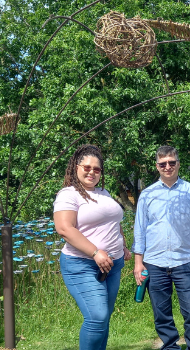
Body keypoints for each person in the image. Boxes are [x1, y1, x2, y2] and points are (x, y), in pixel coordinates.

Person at [132, 145, 190, 350]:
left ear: (178, 163)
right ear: (157, 166)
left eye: (171, 162)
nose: (168, 167)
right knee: (161, 314)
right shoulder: (147, 194)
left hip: (184, 261)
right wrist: (138, 263)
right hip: (154, 262)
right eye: (163, 163)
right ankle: (170, 347)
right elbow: (139, 229)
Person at [53, 144, 131, 350]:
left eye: (97, 169)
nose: (92, 172)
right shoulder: (68, 194)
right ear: (75, 167)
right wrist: (96, 252)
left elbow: (114, 221)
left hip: (113, 265)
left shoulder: (103, 192)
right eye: (86, 167)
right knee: (97, 316)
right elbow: (64, 228)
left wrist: (123, 245)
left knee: (104, 317)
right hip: (82, 264)